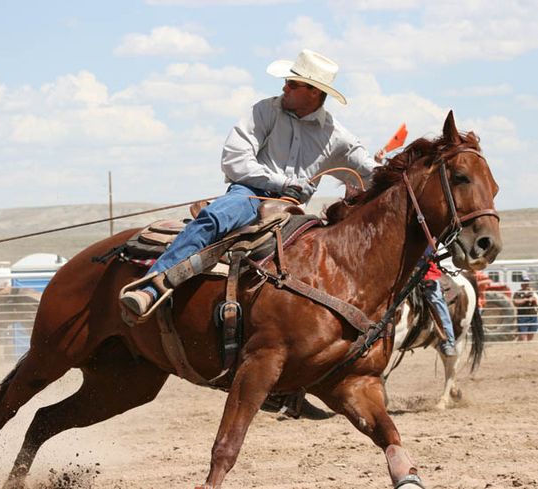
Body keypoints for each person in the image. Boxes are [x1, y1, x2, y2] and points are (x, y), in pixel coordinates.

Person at [120, 48, 382, 316]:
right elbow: (235, 159)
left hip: (294, 210)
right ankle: (150, 288)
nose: (285, 87)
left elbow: (372, 173)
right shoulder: (266, 111)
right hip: (250, 195)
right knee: (215, 217)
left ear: (314, 92)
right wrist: (281, 182)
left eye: (292, 84)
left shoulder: (337, 137)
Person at [421, 259, 457, 356]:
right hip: (401, 270)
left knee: (436, 299)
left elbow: (433, 250)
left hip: (425, 270)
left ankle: (448, 341)